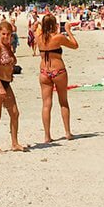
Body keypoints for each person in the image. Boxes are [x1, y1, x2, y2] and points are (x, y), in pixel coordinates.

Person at [37, 14, 79, 142]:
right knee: (63, 101)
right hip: (58, 71)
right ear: (55, 24)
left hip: (44, 72)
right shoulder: (58, 38)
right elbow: (75, 45)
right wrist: (68, 30)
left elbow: (39, 30)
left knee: (46, 104)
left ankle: (47, 135)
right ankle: (67, 132)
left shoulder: (39, 38)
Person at [0, 20, 25, 153]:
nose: (6, 37)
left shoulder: (9, 47)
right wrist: (0, 87)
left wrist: (10, 73)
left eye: (8, 34)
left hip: (6, 82)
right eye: (3, 34)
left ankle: (15, 143)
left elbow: (11, 62)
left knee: (14, 113)